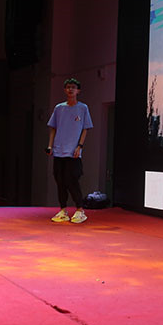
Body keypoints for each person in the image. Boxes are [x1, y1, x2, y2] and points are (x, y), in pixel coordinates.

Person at [47, 78, 93, 223]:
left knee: (71, 179)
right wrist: (50, 146)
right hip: (58, 150)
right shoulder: (59, 108)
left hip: (73, 152)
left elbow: (85, 129)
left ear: (78, 90)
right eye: (68, 87)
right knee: (60, 180)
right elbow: (53, 128)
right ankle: (63, 210)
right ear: (64, 90)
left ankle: (80, 210)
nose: (70, 89)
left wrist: (80, 146)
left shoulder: (83, 108)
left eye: (73, 87)